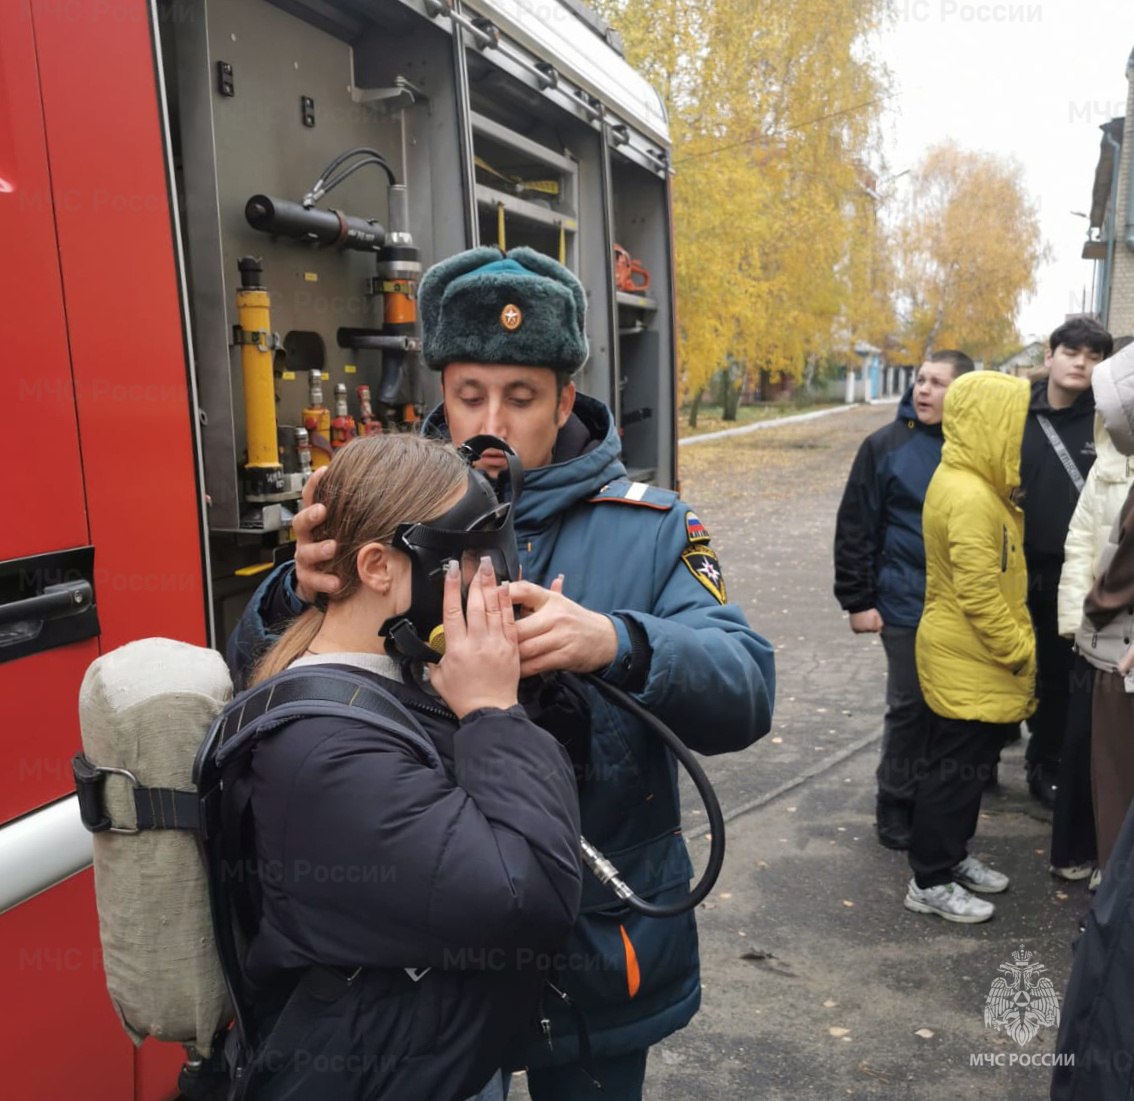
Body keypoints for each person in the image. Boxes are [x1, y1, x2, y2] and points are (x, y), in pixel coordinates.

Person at [230, 246, 776, 1100]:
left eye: (521, 397)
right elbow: (260, 684)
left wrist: (619, 642)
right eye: (468, 394)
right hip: (432, 959)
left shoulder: (653, 526)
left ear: (566, 398)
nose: (491, 420)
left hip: (594, 946)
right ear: (439, 393)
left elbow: (747, 687)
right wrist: (292, 593)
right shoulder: (382, 509)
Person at [232, 433, 583, 1101]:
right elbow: (529, 895)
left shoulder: (404, 672)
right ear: (377, 567)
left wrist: (535, 686)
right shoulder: (324, 748)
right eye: (469, 554)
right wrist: (492, 710)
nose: (494, 575)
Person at [904, 370, 1035, 924]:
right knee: (952, 773)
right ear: (989, 426)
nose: (1020, 437)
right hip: (971, 654)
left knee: (967, 768)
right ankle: (929, 880)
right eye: (1014, 425)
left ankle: (951, 857)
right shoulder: (968, 495)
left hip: (972, 655)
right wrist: (1018, 649)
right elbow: (978, 591)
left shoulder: (975, 484)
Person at [834, 349, 975, 850]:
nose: (922, 390)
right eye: (920, 380)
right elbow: (856, 525)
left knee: (953, 712)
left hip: (964, 606)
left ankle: (935, 805)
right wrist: (858, 600)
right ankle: (894, 802)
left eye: (937, 383)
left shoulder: (977, 448)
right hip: (903, 603)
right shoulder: (885, 445)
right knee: (911, 706)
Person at [1052, 342, 1134, 1100]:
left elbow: (1112, 572)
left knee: (1114, 797)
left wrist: (1092, 613)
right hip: (1108, 654)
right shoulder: (1112, 464)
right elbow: (1089, 545)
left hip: (1120, 662)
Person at [1019, 318, 1113, 809]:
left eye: (1094, 355)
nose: (1082, 362)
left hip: (1072, 570)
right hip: (1012, 567)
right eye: (1072, 351)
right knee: (1007, 660)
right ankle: (985, 751)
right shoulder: (1015, 411)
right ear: (1050, 355)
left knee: (1060, 674)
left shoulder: (1109, 420)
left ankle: (1045, 762)